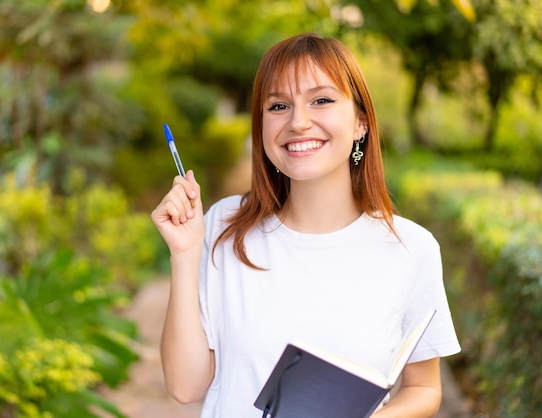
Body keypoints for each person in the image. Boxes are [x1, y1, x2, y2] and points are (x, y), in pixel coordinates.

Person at [151, 33, 461, 418]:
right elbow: (184, 387)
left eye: (322, 100)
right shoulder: (223, 226)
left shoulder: (412, 248)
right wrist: (184, 254)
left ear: (361, 122)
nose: (298, 122)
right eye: (278, 105)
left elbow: (424, 387)